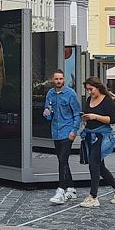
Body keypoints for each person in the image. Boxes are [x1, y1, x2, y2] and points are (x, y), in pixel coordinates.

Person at [79, 76, 115, 208]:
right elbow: (89, 116)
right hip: (89, 135)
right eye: (87, 90)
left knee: (93, 165)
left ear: (98, 87)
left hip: (101, 136)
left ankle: (93, 196)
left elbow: (112, 120)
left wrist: (95, 116)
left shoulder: (107, 101)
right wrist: (85, 117)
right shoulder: (89, 100)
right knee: (100, 167)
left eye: (91, 89)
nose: (89, 92)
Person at [42, 69, 81, 205]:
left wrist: (74, 131)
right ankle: (71, 189)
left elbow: (77, 113)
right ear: (53, 80)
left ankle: (61, 190)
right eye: (56, 79)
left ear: (64, 79)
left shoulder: (70, 94)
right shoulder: (50, 94)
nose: (58, 81)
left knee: (62, 160)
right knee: (62, 160)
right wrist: (46, 113)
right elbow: (49, 115)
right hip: (56, 132)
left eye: (61, 79)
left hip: (67, 132)